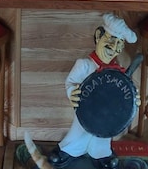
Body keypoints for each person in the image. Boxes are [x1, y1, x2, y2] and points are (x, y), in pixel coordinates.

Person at [47, 13, 138, 169]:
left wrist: (134, 100)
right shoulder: (84, 65)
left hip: (106, 114)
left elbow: (126, 92)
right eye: (110, 39)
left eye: (119, 43)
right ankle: (69, 150)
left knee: (103, 136)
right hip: (86, 111)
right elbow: (71, 82)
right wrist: (72, 93)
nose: (113, 47)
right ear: (98, 36)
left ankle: (102, 154)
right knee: (78, 131)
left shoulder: (119, 72)